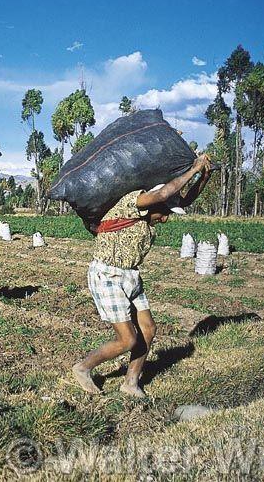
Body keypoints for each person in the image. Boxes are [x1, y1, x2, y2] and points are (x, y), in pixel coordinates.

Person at [71, 154, 213, 398]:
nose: (166, 219)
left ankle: (131, 382)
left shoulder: (148, 220)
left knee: (148, 329)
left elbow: (183, 199)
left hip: (131, 276)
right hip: (108, 274)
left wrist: (204, 176)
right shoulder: (130, 203)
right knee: (127, 340)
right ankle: (83, 368)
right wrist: (192, 170)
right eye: (165, 213)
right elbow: (161, 195)